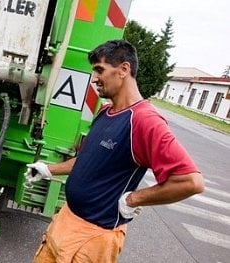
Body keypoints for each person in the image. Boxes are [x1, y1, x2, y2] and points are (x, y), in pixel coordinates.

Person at [26, 40, 204, 263]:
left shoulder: (144, 120)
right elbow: (87, 160)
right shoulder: (105, 112)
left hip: (93, 238)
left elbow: (190, 181)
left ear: (124, 69)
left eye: (100, 70)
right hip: (65, 220)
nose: (94, 78)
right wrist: (47, 169)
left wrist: (133, 199)